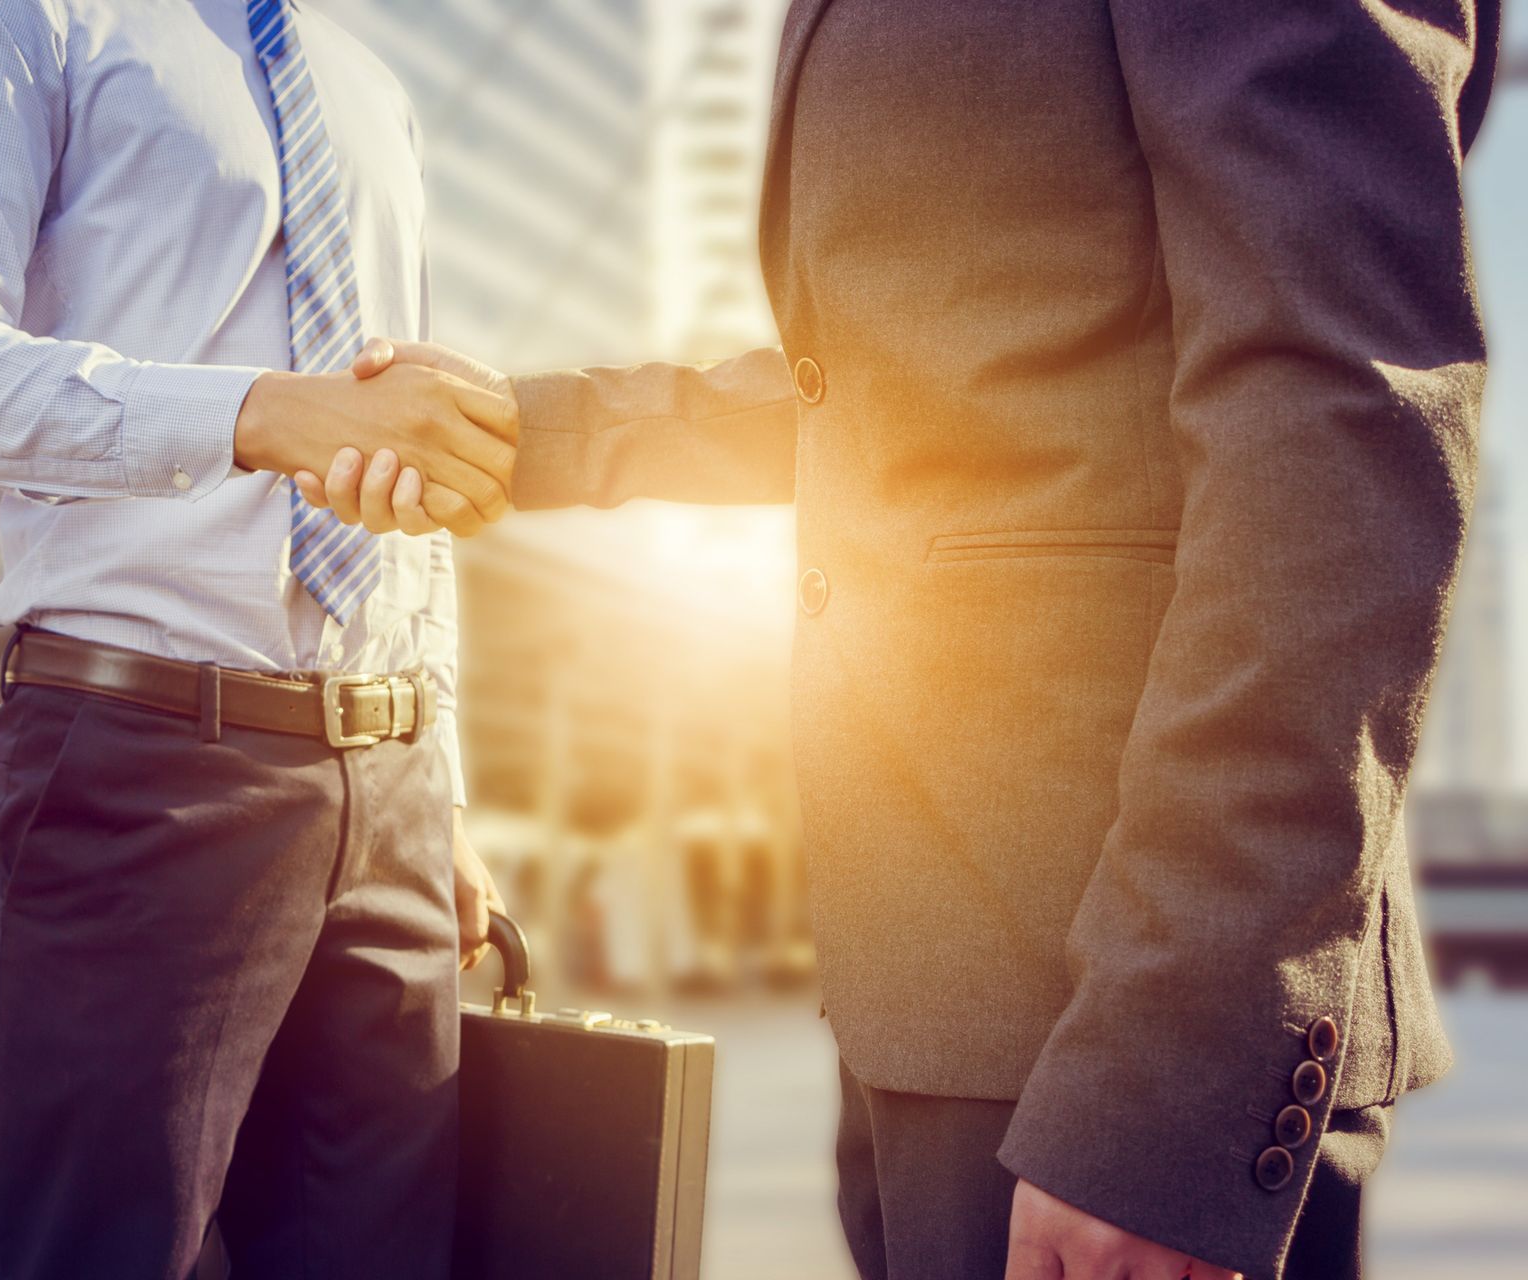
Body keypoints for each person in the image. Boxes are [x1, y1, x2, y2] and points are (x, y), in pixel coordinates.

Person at [301, 1, 1505, 1276]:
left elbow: (1339, 416)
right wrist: (525, 435)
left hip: (1124, 1030)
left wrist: (1170, 1084)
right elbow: (900, 378)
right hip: (934, 991)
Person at [0, 1, 516, 1275]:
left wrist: (443, 791)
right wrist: (254, 413)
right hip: (144, 763)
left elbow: (407, 472)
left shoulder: (368, 87)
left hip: (389, 790)